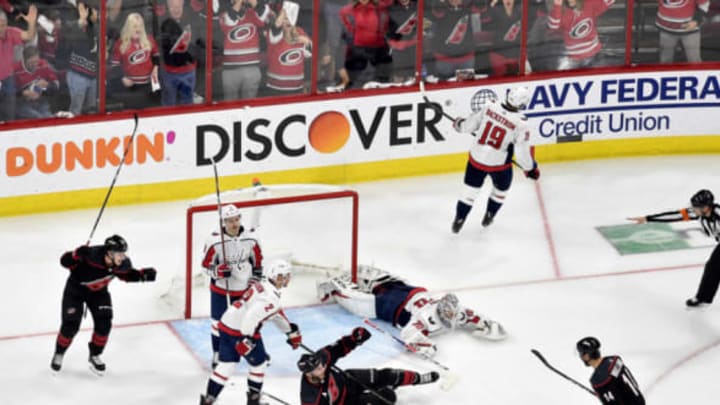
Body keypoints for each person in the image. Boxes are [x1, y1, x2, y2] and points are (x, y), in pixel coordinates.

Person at [317, 265, 507, 356]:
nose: (452, 314)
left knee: (370, 291)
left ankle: (337, 284)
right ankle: (334, 285)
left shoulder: (448, 312)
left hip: (396, 299)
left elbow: (470, 316)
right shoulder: (429, 319)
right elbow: (411, 335)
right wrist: (424, 347)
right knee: (369, 291)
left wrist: (484, 324)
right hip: (393, 298)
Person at [50, 235, 157, 375]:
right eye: (120, 254)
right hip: (75, 291)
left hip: (98, 293)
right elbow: (64, 261)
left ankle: (94, 354)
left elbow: (126, 274)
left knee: (105, 323)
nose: (123, 257)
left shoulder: (122, 263)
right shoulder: (90, 256)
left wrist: (142, 275)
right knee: (70, 325)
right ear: (109, 253)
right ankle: (59, 353)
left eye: (124, 253)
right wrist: (75, 254)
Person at [199, 259, 302, 405]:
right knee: (260, 363)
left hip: (226, 324)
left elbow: (275, 313)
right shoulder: (271, 298)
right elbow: (252, 316)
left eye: (287, 275)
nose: (287, 279)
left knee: (226, 364)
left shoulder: (262, 285)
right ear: (276, 277)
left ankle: (208, 399)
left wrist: (290, 331)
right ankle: (254, 400)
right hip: (240, 331)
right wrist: (248, 339)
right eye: (284, 276)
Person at [450, 85, 540, 232]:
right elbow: (522, 153)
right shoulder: (521, 123)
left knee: (469, 193)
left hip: (476, 159)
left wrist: (459, 124)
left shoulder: (489, 105)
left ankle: (459, 219)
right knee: (501, 191)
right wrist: (530, 169)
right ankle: (490, 215)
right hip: (499, 165)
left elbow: (468, 126)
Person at [298, 327, 440, 405]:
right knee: (388, 397)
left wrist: (355, 338)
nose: (323, 368)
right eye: (318, 369)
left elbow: (340, 348)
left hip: (348, 380)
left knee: (386, 375)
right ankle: (382, 391)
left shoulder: (321, 358)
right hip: (347, 403)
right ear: (308, 374)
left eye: (322, 365)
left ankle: (418, 379)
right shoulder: (309, 397)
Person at [628, 189, 720, 308]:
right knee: (712, 268)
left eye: (696, 207)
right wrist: (648, 218)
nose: (693, 209)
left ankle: (703, 297)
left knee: (714, 266)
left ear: (706, 207)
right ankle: (703, 297)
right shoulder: (698, 213)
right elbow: (677, 215)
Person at [201, 204, 264, 367]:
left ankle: (255, 353)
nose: (234, 224)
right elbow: (205, 266)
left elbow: (258, 261)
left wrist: (254, 280)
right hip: (221, 289)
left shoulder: (251, 238)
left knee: (249, 321)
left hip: (244, 288)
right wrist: (218, 271)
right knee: (217, 323)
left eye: (236, 219)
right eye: (229, 221)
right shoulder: (214, 241)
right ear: (223, 222)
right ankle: (217, 353)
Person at [218, 0, 271, 100]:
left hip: (252, 67)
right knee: (230, 105)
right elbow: (230, 20)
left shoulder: (253, 14)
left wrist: (253, 1)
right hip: (230, 69)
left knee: (249, 105)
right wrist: (238, 2)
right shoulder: (224, 15)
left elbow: (264, 16)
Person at [109, 12, 160, 109]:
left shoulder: (149, 40)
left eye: (140, 26)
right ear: (128, 28)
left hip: (148, 87)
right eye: (135, 26)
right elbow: (114, 64)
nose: (138, 29)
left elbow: (156, 55)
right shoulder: (120, 43)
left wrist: (156, 67)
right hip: (130, 89)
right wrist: (123, 78)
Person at [340, 0, 393, 88]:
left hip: (378, 49)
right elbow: (347, 29)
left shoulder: (380, 8)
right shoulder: (347, 10)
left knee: (382, 80)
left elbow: (385, 25)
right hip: (357, 50)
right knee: (355, 83)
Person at [547, 0, 614, 70]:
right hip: (572, 59)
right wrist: (557, 5)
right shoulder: (560, 10)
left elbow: (609, 1)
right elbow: (553, 26)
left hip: (594, 55)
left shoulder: (589, 3)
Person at [59, 0, 99, 116]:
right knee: (76, 111)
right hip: (78, 74)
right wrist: (81, 22)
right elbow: (67, 37)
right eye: (96, 11)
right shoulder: (72, 24)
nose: (98, 14)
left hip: (93, 76)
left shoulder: (96, 27)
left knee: (91, 110)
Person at [576, 337, 645, 404]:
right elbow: (627, 384)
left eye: (581, 354)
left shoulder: (598, 379)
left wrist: (604, 396)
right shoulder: (614, 360)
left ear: (586, 356)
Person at [264, 4, 311, 96]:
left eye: (290, 18)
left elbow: (309, 54)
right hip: (276, 87)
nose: (287, 22)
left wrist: (307, 42)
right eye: (285, 19)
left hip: (297, 87)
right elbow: (276, 26)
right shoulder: (274, 32)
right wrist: (285, 9)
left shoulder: (300, 31)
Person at [158, 0, 199, 105]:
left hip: (188, 71)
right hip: (169, 72)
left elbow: (198, 42)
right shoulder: (163, 23)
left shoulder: (192, 20)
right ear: (167, 7)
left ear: (183, 5)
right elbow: (161, 47)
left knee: (187, 103)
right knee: (168, 104)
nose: (176, 10)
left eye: (178, 7)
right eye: (172, 7)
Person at [0, 6, 37, 122]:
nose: (2, 28)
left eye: (3, 25)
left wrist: (31, 23)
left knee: (9, 116)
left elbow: (29, 36)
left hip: (7, 79)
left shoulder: (10, 32)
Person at [428, 0, 478, 81]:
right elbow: (430, 19)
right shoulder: (438, 7)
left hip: (466, 58)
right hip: (444, 60)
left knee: (465, 89)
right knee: (444, 90)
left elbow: (482, 7)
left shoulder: (469, 7)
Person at [13, 45, 59, 119]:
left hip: (41, 101)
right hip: (23, 104)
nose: (35, 64)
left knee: (50, 119)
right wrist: (23, 93)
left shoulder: (43, 64)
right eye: (31, 62)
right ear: (24, 60)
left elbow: (56, 85)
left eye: (36, 61)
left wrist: (48, 85)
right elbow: (7, 91)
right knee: (39, 118)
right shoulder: (15, 69)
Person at [386, 0, 418, 84]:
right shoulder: (391, 9)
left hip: (414, 45)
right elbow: (387, 28)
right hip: (398, 46)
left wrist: (422, 31)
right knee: (399, 75)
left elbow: (427, 20)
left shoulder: (418, 5)